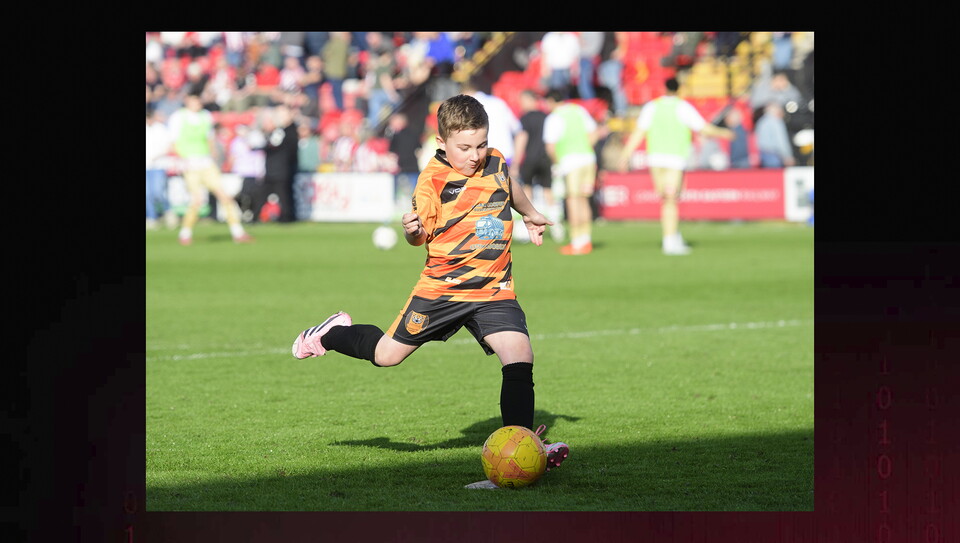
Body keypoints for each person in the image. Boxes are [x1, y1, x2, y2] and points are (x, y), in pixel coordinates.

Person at [289, 94, 568, 488]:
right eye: (465, 148)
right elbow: (420, 235)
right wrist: (413, 230)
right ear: (442, 144)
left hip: (493, 288)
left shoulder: (497, 161)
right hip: (443, 291)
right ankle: (330, 333)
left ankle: (519, 449)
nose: (475, 155)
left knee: (519, 354)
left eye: (481, 144)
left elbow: (509, 184)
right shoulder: (432, 182)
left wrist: (530, 213)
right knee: (387, 356)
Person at [616, 78, 734, 255]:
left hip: (655, 159)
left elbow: (639, 132)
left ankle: (673, 234)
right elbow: (703, 128)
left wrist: (625, 154)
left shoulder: (651, 107)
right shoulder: (682, 107)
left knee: (666, 199)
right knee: (671, 200)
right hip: (674, 159)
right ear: (679, 90)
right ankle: (670, 240)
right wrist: (724, 133)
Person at [167, 92, 253, 245]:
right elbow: (173, 142)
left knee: (224, 196)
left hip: (206, 163)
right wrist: (182, 160)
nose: (197, 103)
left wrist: (214, 156)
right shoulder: (178, 118)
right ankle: (185, 233)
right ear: (187, 101)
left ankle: (237, 232)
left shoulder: (205, 116)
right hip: (190, 164)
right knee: (196, 200)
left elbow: (210, 139)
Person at [543, 89, 601, 255]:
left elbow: (551, 147)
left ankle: (576, 242)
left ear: (551, 102)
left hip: (570, 162)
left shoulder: (554, 118)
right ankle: (585, 239)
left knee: (573, 200)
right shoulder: (579, 110)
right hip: (588, 159)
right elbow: (593, 134)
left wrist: (557, 163)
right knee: (584, 199)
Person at [512, 90, 562, 240]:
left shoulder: (525, 118)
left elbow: (522, 138)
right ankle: (556, 226)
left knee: (526, 191)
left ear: (530, 100)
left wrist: (515, 162)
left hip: (530, 159)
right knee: (548, 192)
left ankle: (525, 227)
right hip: (545, 158)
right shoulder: (546, 116)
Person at [256, 104, 300, 222]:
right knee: (281, 194)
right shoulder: (283, 131)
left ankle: (287, 216)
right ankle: (286, 216)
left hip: (281, 169)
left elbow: (275, 147)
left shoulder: (286, 131)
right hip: (280, 168)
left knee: (284, 194)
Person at [145, 107, 176, 230]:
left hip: (158, 165)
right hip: (147, 166)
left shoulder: (160, 129)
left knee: (158, 192)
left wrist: (156, 155)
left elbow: (169, 146)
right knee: (147, 194)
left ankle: (168, 211)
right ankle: (151, 218)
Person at [754, 102, 796, 168]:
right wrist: (787, 156)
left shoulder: (761, 121)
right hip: (774, 154)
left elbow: (757, 140)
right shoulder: (775, 121)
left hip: (763, 153)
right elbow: (780, 140)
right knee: (776, 176)